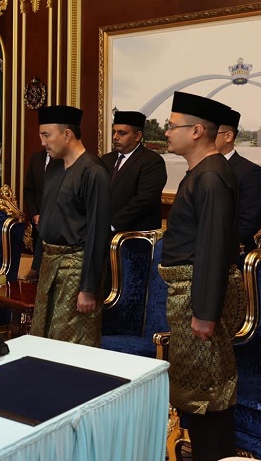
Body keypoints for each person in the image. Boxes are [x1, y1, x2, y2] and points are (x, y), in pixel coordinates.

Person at [160, 91, 241, 461]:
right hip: (188, 293)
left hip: (198, 298)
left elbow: (212, 249)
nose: (166, 132)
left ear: (196, 131)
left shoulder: (210, 176)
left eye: (172, 126)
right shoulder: (202, 172)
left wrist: (205, 312)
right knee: (195, 391)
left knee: (209, 394)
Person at [30, 105, 110, 347]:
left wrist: (88, 288)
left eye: (46, 135)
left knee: (68, 341)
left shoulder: (93, 171)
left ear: (67, 134)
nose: (42, 142)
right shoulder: (54, 167)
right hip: (49, 267)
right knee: (41, 337)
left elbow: (98, 233)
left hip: (76, 270)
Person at [100, 110, 166, 232]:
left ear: (137, 136)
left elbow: (145, 200)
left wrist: (112, 225)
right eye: (114, 132)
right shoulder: (106, 159)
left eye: (122, 133)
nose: (115, 137)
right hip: (104, 235)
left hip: (135, 238)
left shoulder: (152, 161)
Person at [217, 109, 261, 257]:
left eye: (212, 132)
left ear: (228, 136)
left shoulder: (250, 172)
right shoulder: (199, 168)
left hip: (232, 254)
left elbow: (248, 222)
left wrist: (214, 244)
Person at [21, 148, 52, 279]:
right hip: (37, 220)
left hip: (55, 222)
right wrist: (35, 215)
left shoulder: (65, 160)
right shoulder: (36, 158)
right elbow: (29, 191)